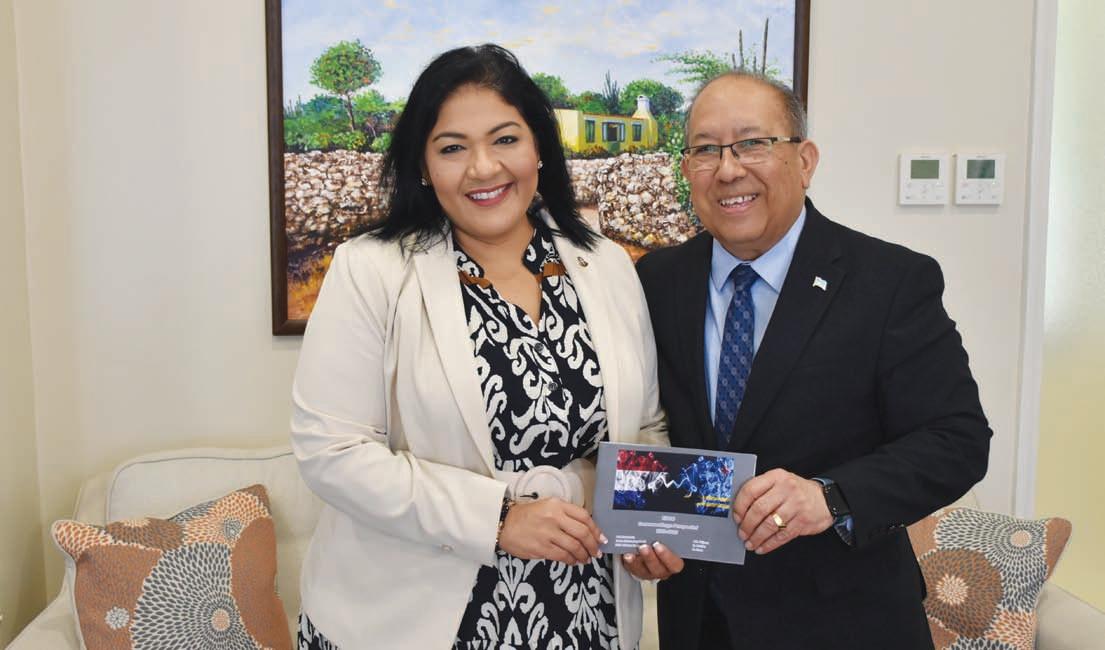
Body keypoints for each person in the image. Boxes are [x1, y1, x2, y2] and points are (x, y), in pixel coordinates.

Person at [290, 44, 682, 650]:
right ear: (423, 165)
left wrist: (646, 526)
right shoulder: (371, 269)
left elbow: (646, 426)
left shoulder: (604, 264)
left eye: (505, 139)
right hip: (412, 617)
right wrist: (498, 519)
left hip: (584, 611)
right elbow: (331, 451)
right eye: (452, 148)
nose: (483, 167)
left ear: (539, 148)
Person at [635, 71, 992, 649]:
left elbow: (958, 440)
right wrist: (642, 529)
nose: (728, 170)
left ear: (805, 161)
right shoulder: (657, 281)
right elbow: (650, 428)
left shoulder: (890, 282)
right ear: (686, 170)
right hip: (699, 623)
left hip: (844, 623)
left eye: (752, 143)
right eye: (705, 150)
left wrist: (830, 496)